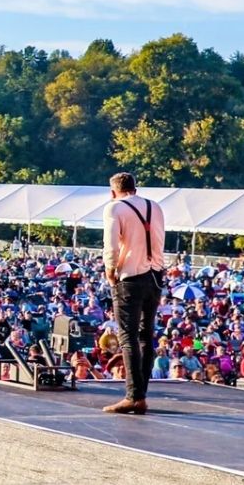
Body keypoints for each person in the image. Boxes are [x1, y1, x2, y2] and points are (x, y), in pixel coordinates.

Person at [103, 171, 166, 417]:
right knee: (146, 335)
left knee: (128, 337)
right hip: (155, 275)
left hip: (130, 276)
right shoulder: (155, 206)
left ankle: (134, 397)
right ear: (135, 189)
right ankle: (141, 394)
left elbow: (111, 245)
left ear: (113, 192)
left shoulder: (114, 208)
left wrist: (110, 270)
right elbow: (159, 239)